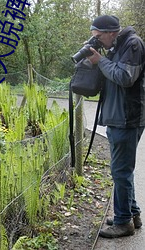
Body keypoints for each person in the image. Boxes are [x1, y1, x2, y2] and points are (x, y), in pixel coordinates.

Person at [87, 15, 145, 238]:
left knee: (120, 171)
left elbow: (124, 77)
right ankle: (132, 214)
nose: (98, 41)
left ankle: (123, 223)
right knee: (122, 171)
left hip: (127, 118)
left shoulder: (133, 44)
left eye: (99, 37)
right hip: (117, 117)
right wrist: (97, 59)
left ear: (111, 32)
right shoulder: (116, 46)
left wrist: (100, 61)